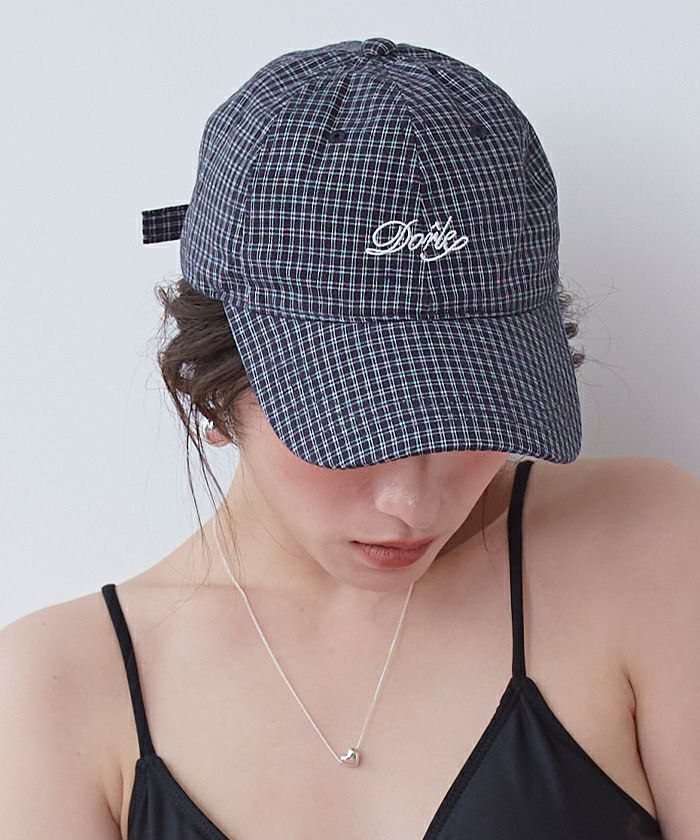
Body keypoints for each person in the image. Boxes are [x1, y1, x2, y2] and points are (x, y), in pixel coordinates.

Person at [1, 36, 699, 840]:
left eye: (471, 415)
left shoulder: (644, 548)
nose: (412, 504)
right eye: (351, 428)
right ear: (213, 382)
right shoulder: (54, 692)